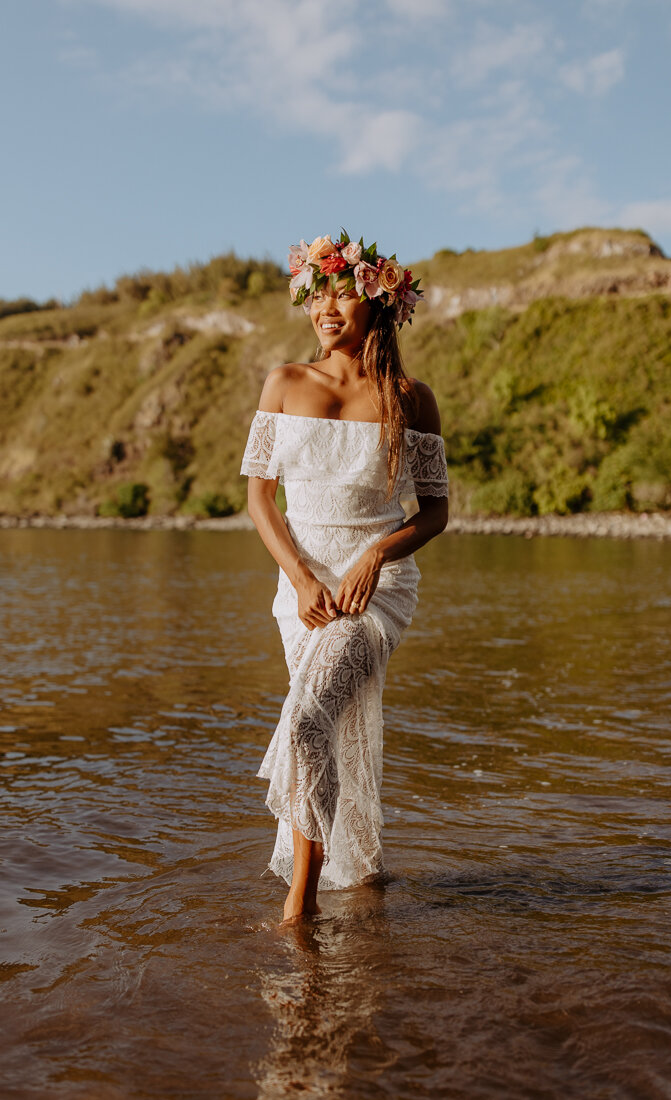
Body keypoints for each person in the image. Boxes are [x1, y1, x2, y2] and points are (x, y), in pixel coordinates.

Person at [240, 232, 448, 925]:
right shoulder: (283, 381)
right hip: (300, 590)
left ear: (379, 304)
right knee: (325, 731)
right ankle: (359, 874)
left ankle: (298, 905)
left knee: (303, 725)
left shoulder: (411, 399)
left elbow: (435, 512)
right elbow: (258, 498)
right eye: (316, 293)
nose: (325, 307)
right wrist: (299, 578)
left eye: (342, 294)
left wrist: (374, 557)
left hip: (374, 592)